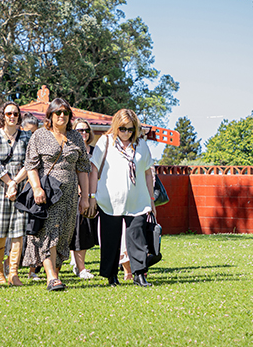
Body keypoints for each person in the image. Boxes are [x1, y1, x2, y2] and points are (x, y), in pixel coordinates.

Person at [22, 98, 90, 291]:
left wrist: (84, 197)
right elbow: (31, 165)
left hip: (69, 194)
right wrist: (36, 188)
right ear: (50, 115)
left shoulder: (76, 137)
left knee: (64, 235)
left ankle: (55, 274)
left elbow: (83, 168)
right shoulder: (40, 135)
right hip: (48, 192)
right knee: (49, 231)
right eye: (58, 112)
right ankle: (51, 277)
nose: (62, 116)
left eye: (65, 113)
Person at [89, 109, 156, 287]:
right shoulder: (105, 142)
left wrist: (151, 199)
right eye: (123, 128)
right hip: (109, 199)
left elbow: (148, 173)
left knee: (137, 238)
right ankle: (111, 275)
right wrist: (92, 196)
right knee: (110, 238)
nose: (126, 133)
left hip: (138, 200)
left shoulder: (141, 145)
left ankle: (140, 274)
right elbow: (94, 169)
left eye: (131, 129)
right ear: (116, 126)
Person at [0, 102, 31, 286]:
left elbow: (30, 162)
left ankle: (13, 273)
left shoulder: (27, 136)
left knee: (18, 232)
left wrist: (15, 183)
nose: (12, 116)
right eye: (8, 113)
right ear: (2, 116)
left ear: (19, 116)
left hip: (19, 186)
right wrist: (8, 183)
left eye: (15, 113)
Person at [69, 118, 98, 280]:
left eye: (86, 130)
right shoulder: (71, 150)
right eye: (80, 130)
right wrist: (82, 192)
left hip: (95, 196)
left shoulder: (95, 150)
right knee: (79, 232)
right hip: (75, 196)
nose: (84, 133)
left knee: (88, 232)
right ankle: (81, 268)